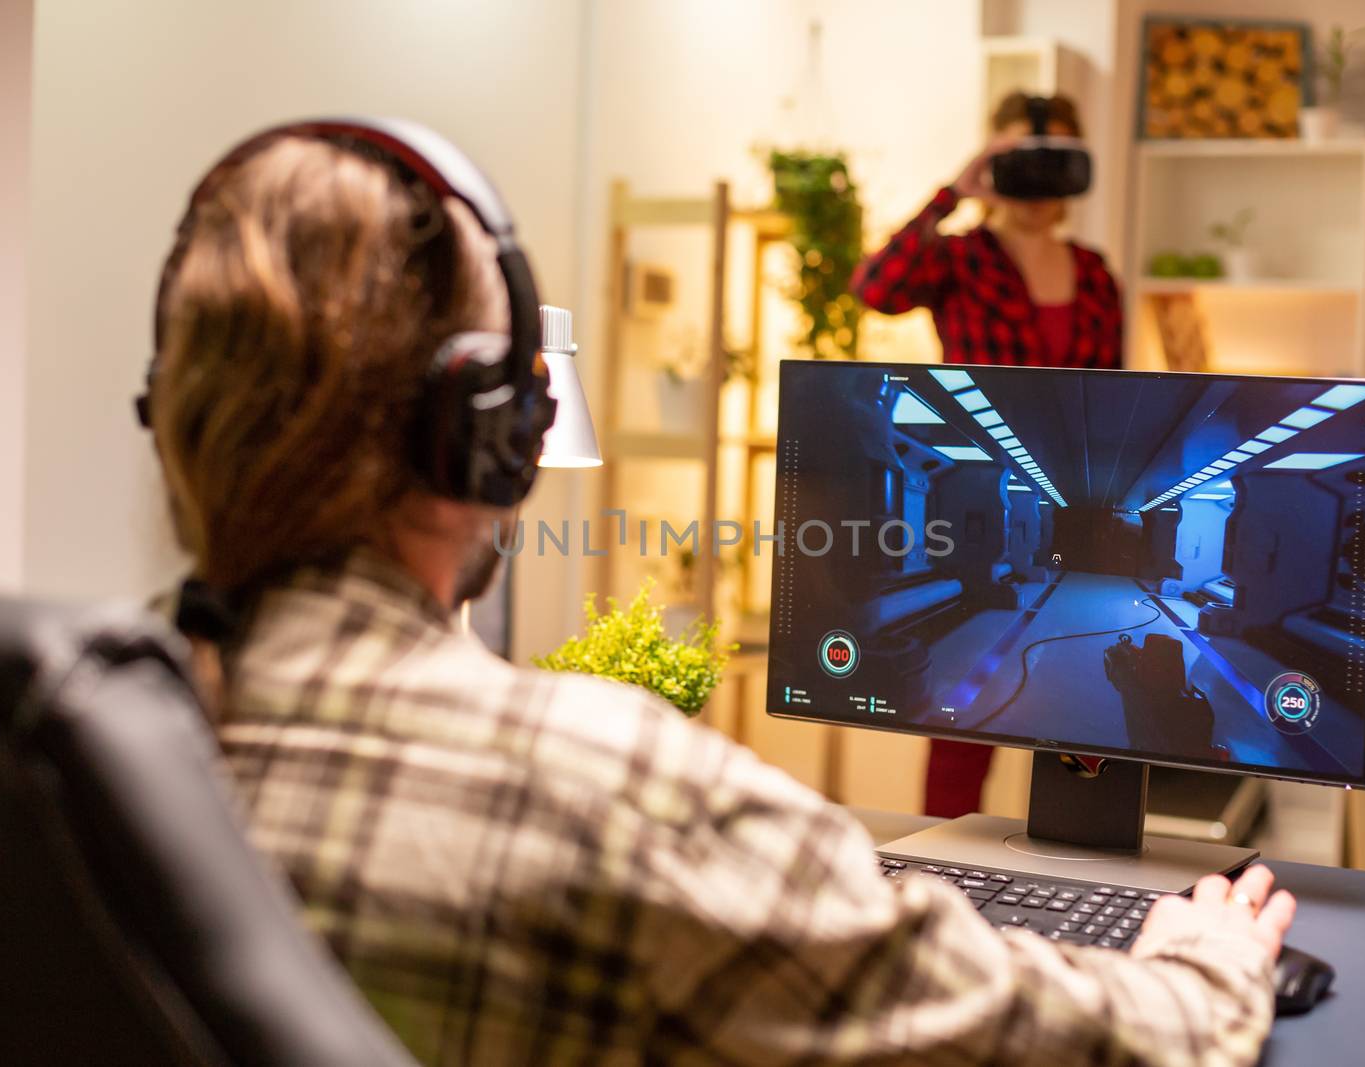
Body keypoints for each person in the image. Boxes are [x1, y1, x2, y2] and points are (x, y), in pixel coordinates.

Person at [145, 122, 1293, 1066]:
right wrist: (1207, 964)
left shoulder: (61, 733)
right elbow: (1041, 1038)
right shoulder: (609, 786)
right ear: (480, 434)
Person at [851, 92, 1123, 820]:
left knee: (1076, 697)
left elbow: (1120, 401)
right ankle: (943, 871)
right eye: (1022, 157)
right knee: (961, 708)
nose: (1040, 178)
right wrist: (956, 189)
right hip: (979, 489)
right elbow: (873, 287)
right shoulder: (960, 260)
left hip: (1074, 496)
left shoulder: (1096, 274)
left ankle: (1077, 871)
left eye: (1055, 156)